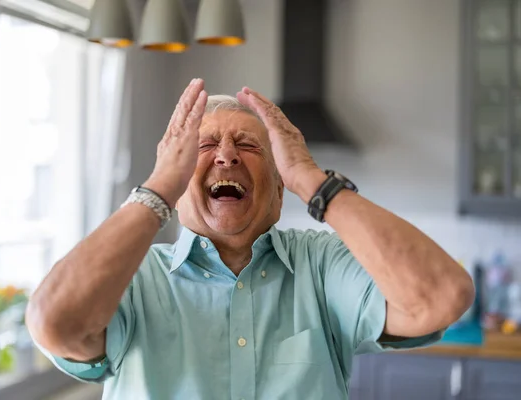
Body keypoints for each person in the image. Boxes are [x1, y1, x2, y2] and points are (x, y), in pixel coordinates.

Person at [26, 78, 475, 399]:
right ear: (179, 182)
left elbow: (442, 296)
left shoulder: (321, 267)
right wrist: (159, 187)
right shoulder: (133, 279)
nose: (226, 156)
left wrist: (316, 185)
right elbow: (53, 322)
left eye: (248, 145)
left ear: (280, 191)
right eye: (204, 147)